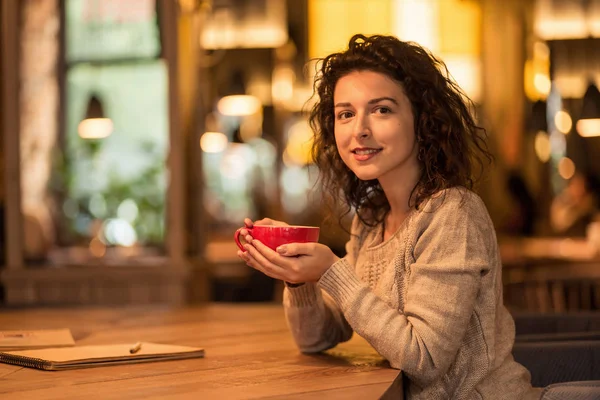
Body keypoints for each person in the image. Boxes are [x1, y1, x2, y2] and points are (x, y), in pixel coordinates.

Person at [237, 34, 540, 399]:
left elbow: (425, 358)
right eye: (346, 114)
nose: (360, 129)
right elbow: (318, 338)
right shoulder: (370, 220)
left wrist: (331, 273)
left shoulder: (453, 213)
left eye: (381, 109)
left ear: (422, 121)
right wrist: (297, 278)